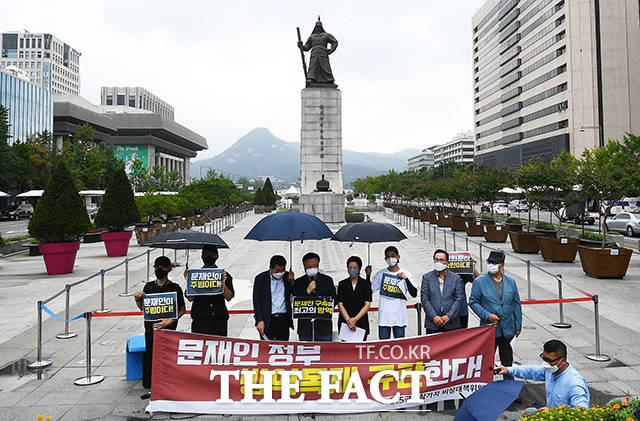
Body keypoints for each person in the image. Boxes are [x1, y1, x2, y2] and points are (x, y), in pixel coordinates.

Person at [133, 256, 186, 393]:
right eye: (156, 267)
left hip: (169, 331)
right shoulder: (149, 287)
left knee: (168, 357)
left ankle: (169, 382)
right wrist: (137, 299)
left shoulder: (175, 288)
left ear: (169, 269)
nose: (159, 270)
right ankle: (150, 383)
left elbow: (182, 309)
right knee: (151, 355)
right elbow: (144, 309)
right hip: (151, 331)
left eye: (162, 267)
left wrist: (170, 321)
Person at [469, 250, 522, 379]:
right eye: (489, 262)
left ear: (501, 265)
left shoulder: (511, 282)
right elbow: (473, 302)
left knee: (507, 361)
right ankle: (484, 384)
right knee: (486, 361)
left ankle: (509, 386)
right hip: (489, 328)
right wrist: (487, 315)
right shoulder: (480, 281)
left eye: (494, 263)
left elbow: (516, 304)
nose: (491, 265)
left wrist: (518, 325)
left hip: (508, 329)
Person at [495, 340, 590, 411]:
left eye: (549, 360)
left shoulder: (575, 384)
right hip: (549, 412)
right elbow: (531, 371)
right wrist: (508, 370)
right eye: (544, 358)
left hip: (559, 416)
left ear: (563, 361)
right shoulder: (551, 371)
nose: (545, 363)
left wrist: (553, 412)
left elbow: (581, 412)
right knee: (529, 412)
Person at [184, 245, 234, 336]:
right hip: (200, 320)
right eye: (205, 254)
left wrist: (223, 282)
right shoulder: (195, 275)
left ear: (217, 257)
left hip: (219, 321)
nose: (208, 257)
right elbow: (190, 298)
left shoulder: (225, 275)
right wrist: (189, 280)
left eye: (212, 255)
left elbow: (229, 297)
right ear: (202, 256)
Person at [371, 246, 417, 339]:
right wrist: (368, 275)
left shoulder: (406, 273)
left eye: (393, 256)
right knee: (383, 348)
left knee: (399, 348)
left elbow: (414, 293)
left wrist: (406, 279)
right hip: (384, 318)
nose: (390, 259)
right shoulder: (381, 274)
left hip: (399, 318)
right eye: (388, 257)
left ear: (398, 257)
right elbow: (370, 290)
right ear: (385, 259)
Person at [293, 252, 336, 341]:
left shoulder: (327, 280)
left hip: (324, 327)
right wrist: (307, 291)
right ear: (304, 267)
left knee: (324, 352)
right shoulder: (298, 282)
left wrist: (322, 307)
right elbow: (295, 302)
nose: (312, 268)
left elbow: (333, 299)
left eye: (314, 266)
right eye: (309, 266)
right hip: (305, 328)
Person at [421, 249, 465, 334]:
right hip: (432, 323)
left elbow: (459, 298)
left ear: (447, 262)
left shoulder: (456, 278)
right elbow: (424, 299)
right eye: (437, 260)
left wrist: (449, 316)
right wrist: (434, 317)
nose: (439, 262)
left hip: (451, 323)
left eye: (442, 260)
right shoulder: (427, 277)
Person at [253, 255, 295, 340]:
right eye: (277, 271)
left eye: (282, 270)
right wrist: (259, 320)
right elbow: (257, 301)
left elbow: (294, 293)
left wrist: (292, 282)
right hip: (267, 319)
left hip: (283, 319)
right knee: (267, 348)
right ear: (270, 268)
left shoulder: (287, 277)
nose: (280, 273)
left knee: (283, 347)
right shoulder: (260, 278)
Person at [337, 256, 372, 340]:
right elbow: (340, 304)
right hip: (345, 322)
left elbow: (367, 304)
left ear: (359, 269)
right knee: (346, 350)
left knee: (360, 350)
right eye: (350, 267)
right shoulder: (342, 284)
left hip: (361, 321)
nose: (352, 269)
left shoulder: (366, 284)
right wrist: (349, 320)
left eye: (355, 267)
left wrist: (355, 319)